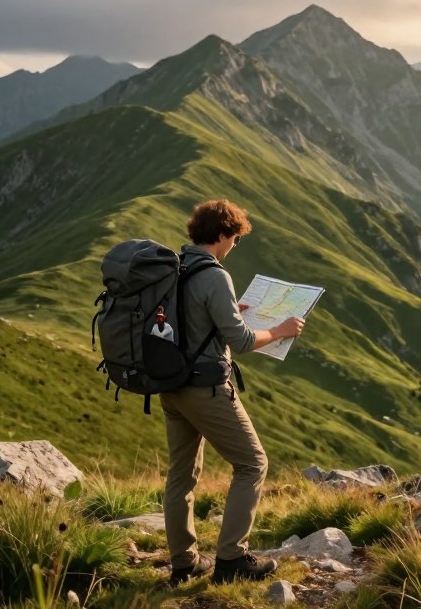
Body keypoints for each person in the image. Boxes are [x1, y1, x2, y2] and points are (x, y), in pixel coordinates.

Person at [163, 199, 305, 586]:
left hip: (171, 387)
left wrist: (228, 311)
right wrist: (280, 331)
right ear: (222, 234)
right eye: (235, 239)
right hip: (205, 388)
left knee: (181, 475)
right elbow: (240, 342)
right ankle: (231, 560)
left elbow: (190, 319)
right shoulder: (214, 275)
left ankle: (184, 563)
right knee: (252, 464)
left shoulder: (176, 266)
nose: (234, 246)